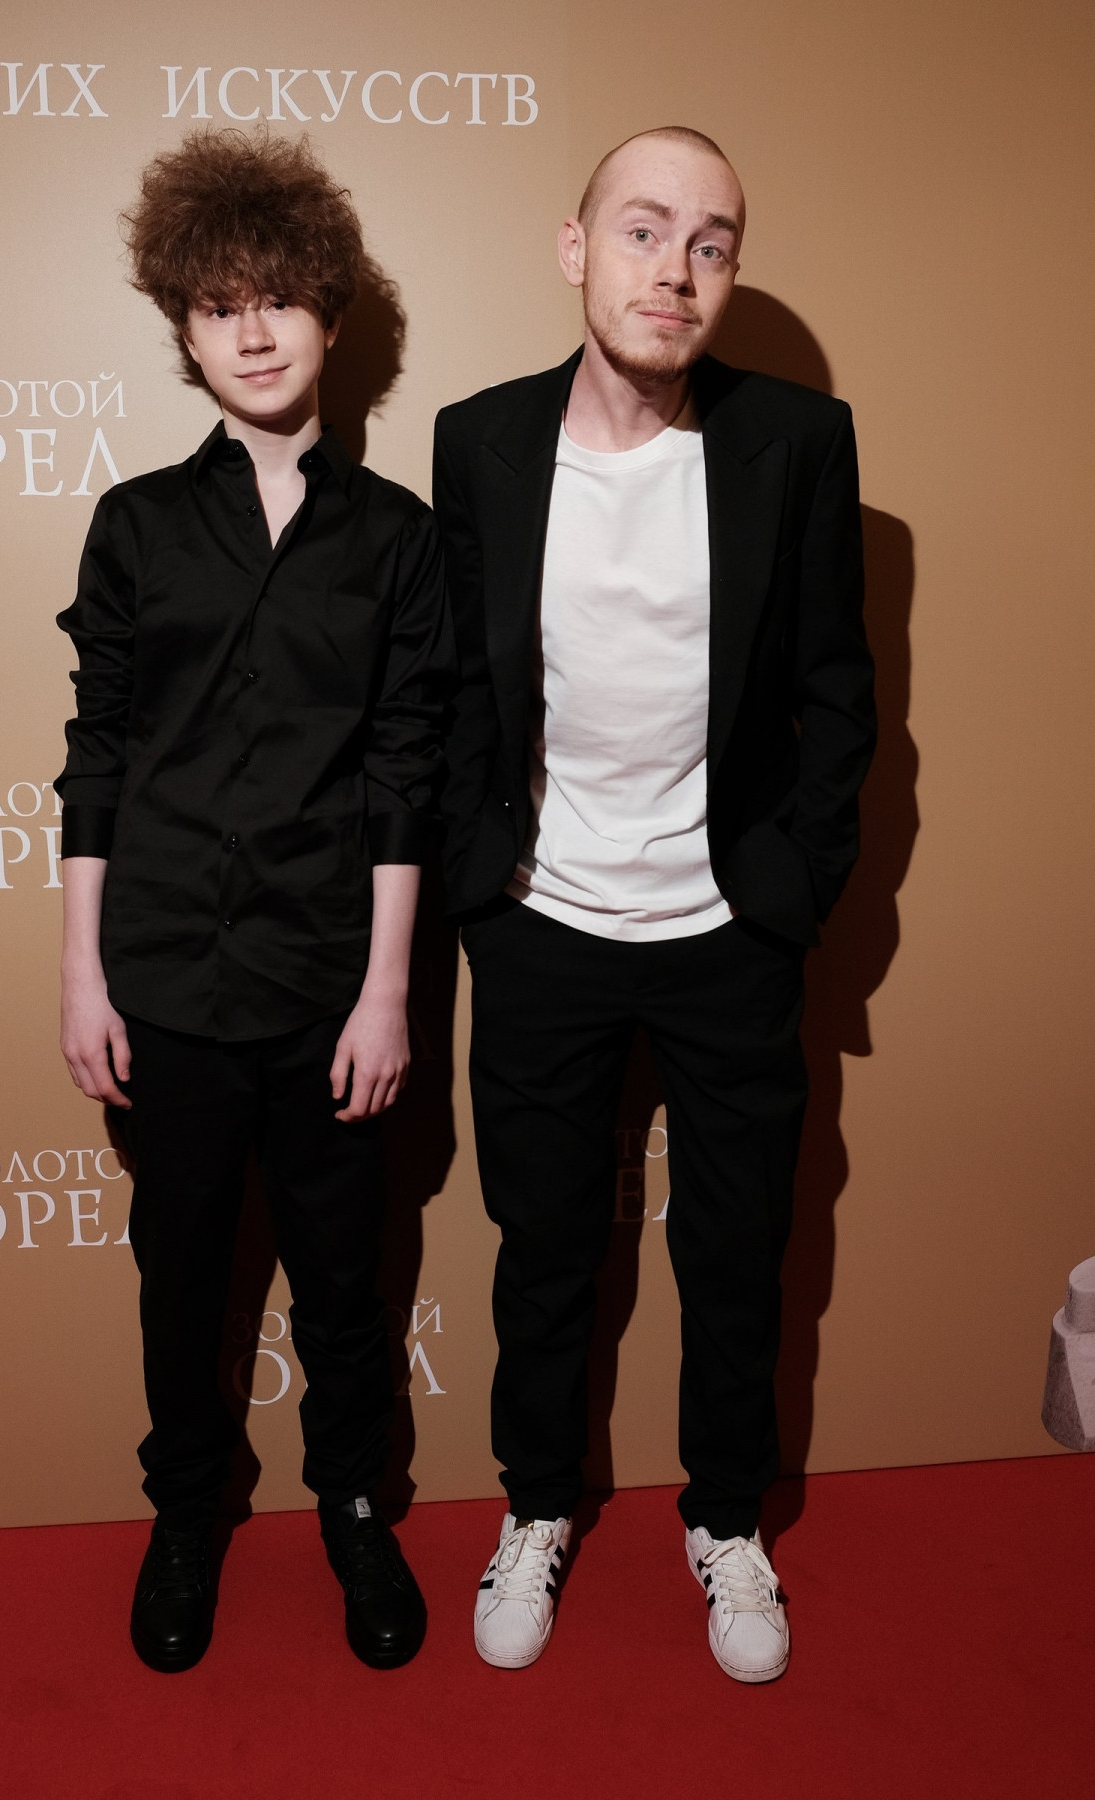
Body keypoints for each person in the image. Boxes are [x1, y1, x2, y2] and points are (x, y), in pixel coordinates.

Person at [433, 126, 875, 1682]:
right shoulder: (480, 440)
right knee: (544, 1247)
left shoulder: (797, 443)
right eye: (642, 229)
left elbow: (840, 693)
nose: (674, 269)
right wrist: (483, 890)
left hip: (727, 930)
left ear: (730, 274)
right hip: (540, 922)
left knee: (738, 1254)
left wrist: (792, 891)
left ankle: (729, 1524)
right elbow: (461, 691)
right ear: (576, 249)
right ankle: (536, 1506)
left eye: (711, 242)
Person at [55, 128, 449, 1674]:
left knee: (347, 1285)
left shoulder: (401, 538)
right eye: (221, 307)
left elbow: (406, 773)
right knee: (183, 1280)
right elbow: (97, 755)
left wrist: (389, 992)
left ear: (331, 314)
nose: (256, 332)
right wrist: (82, 972)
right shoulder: (138, 526)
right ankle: (186, 1516)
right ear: (185, 329)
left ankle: (355, 1510)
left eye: (279, 298)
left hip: (333, 978)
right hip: (163, 976)